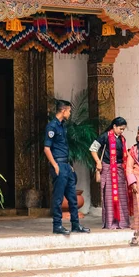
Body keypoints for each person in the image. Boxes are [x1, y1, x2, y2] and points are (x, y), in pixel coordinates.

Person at [44, 100, 91, 235]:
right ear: (63, 110)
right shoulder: (52, 126)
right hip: (58, 164)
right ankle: (57, 225)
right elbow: (47, 149)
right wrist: (55, 165)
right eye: (69, 111)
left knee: (72, 197)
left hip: (66, 164)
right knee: (58, 197)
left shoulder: (63, 126)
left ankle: (75, 224)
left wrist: (69, 165)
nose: (70, 113)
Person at [89, 117, 131, 230]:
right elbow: (93, 148)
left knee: (122, 195)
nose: (122, 131)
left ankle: (122, 222)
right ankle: (111, 222)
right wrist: (98, 162)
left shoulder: (122, 139)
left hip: (119, 169)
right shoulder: (105, 136)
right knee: (109, 196)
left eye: (123, 129)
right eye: (120, 129)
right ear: (114, 126)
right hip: (108, 168)